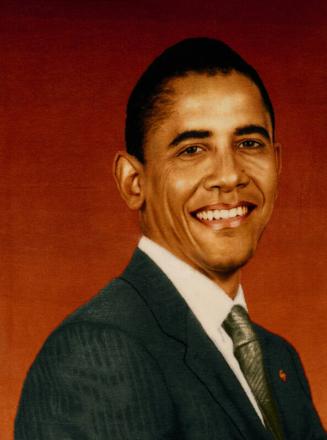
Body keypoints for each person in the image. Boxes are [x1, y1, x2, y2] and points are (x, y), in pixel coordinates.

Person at [15, 38, 326, 439]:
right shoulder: (98, 352)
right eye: (193, 149)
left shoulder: (277, 358)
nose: (230, 176)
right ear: (133, 182)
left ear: (277, 164)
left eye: (249, 144)